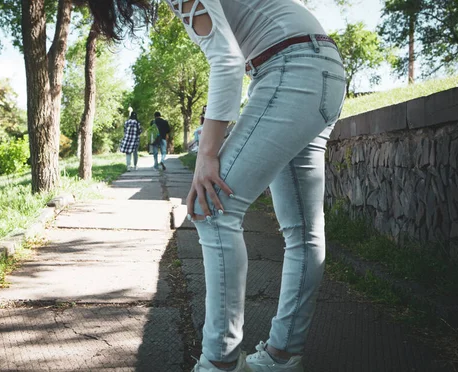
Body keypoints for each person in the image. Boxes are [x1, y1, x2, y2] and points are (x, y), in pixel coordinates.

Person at [91, 1, 346, 371]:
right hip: (325, 69)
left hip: (290, 69)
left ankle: (220, 361)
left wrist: (207, 154)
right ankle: (282, 357)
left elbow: (225, 60)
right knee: (304, 233)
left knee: (210, 207)